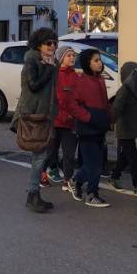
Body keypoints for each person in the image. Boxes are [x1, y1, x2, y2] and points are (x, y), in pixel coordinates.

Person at [16, 28, 59, 213]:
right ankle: (33, 194)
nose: (52, 46)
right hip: (34, 114)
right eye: (48, 43)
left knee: (40, 153)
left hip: (45, 113)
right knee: (39, 154)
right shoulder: (32, 59)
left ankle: (34, 194)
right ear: (39, 44)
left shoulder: (51, 61)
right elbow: (33, 85)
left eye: (54, 43)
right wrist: (49, 69)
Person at [68, 49, 113, 208]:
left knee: (97, 163)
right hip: (86, 128)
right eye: (95, 60)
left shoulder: (100, 80)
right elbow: (72, 104)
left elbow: (105, 103)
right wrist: (88, 117)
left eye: (100, 60)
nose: (99, 63)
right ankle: (91, 194)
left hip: (100, 126)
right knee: (92, 164)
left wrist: (109, 117)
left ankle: (76, 181)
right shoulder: (81, 81)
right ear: (87, 63)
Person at [109, 61, 137, 197]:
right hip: (124, 129)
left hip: (132, 128)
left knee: (126, 156)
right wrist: (109, 123)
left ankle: (114, 177)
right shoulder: (124, 90)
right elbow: (116, 109)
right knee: (133, 158)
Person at [48, 46, 80, 190]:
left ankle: (67, 179)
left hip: (71, 122)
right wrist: (64, 114)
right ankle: (49, 170)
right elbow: (58, 99)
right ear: (61, 58)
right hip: (56, 120)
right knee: (51, 150)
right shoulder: (56, 75)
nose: (72, 58)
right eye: (68, 55)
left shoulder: (76, 76)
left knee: (69, 152)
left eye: (73, 55)